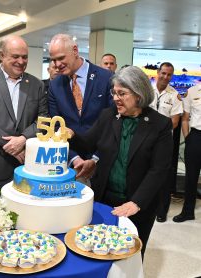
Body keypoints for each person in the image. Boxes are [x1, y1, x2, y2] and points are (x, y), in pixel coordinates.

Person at [68, 66, 173, 258]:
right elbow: (86, 146)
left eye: (122, 93)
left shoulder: (160, 125)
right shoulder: (108, 116)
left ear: (139, 94)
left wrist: (137, 203)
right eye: (114, 92)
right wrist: (72, 135)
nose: (115, 98)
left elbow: (159, 170)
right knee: (100, 249)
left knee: (131, 255)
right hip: (105, 200)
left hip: (138, 205)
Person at [0, 35, 48, 189]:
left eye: (24, 57)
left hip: (27, 167)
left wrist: (24, 138)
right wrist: (11, 145)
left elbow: (43, 119)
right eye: (15, 56)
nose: (21, 61)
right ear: (2, 56)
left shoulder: (36, 84)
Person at [48, 34, 112, 185]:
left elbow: (113, 123)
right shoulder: (55, 85)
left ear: (75, 50)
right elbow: (56, 126)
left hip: (103, 161)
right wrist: (74, 158)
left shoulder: (106, 78)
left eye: (61, 58)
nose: (57, 64)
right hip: (69, 165)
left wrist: (95, 159)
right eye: (53, 60)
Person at [149, 62, 183, 222]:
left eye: (169, 74)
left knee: (163, 176)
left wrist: (157, 132)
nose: (165, 77)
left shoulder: (174, 95)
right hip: (144, 139)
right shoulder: (146, 91)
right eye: (163, 73)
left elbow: (175, 121)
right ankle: (145, 206)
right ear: (157, 72)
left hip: (163, 141)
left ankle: (161, 211)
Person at [173, 83, 201, 222]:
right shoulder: (192, 91)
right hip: (196, 137)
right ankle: (188, 211)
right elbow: (185, 118)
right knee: (191, 176)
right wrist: (188, 138)